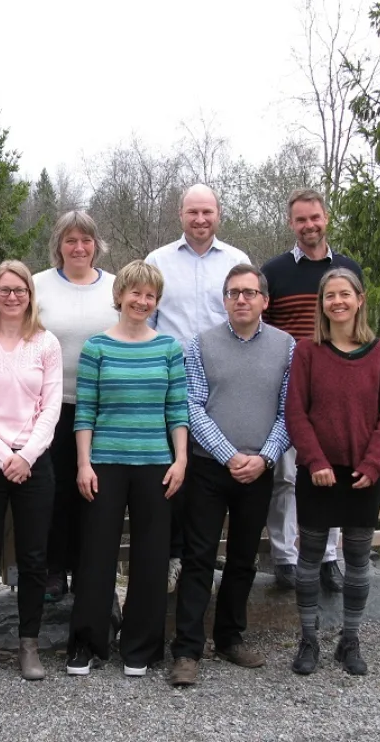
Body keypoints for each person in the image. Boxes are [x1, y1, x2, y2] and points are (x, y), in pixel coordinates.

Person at [170, 264, 294, 687]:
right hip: (208, 467)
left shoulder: (286, 346)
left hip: (260, 469)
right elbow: (192, 405)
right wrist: (229, 455)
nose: (241, 299)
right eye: (233, 293)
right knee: (198, 557)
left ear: (264, 299)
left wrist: (263, 457)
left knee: (242, 559)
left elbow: (287, 411)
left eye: (249, 292)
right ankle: (187, 649)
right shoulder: (200, 344)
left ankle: (229, 637)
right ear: (224, 300)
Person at [66, 261, 188, 678]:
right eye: (135, 292)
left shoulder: (169, 349)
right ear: (119, 296)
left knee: (151, 558)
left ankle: (141, 647)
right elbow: (86, 411)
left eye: (150, 295)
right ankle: (87, 642)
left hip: (156, 464)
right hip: (104, 463)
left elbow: (177, 410)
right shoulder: (97, 347)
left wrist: (182, 460)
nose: (142, 300)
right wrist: (83, 463)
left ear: (156, 301)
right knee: (96, 556)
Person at [287, 268, 380, 676]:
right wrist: (315, 460)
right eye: (329, 296)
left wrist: (374, 464)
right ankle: (309, 638)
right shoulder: (308, 352)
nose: (337, 302)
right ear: (322, 304)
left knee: (357, 559)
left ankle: (349, 639)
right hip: (318, 472)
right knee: (310, 559)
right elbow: (295, 411)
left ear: (359, 300)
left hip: (362, 474)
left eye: (344, 295)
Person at [0, 260, 62, 683]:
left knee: (34, 558)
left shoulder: (46, 343)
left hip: (34, 461)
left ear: (30, 295)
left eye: (20, 289)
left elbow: (51, 406)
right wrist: (4, 456)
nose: (12, 296)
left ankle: (28, 644)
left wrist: (26, 456)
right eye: (4, 289)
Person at [145, 184, 251, 592]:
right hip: (170, 378)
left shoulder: (237, 260)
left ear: (218, 214)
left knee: (211, 468)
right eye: (193, 212)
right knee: (173, 470)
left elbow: (247, 314)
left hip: (223, 377)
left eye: (207, 212)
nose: (200, 219)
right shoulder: (158, 261)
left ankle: (203, 555)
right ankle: (174, 555)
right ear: (180, 214)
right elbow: (147, 317)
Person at [263, 188, 364, 593]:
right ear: (291, 224)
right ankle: (286, 556)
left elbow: (355, 325)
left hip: (337, 386)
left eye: (315, 217)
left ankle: (328, 558)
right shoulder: (275, 271)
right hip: (287, 386)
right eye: (301, 219)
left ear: (326, 218)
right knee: (286, 476)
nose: (309, 225)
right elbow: (263, 330)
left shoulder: (347, 267)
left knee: (335, 471)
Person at [32, 211, 118, 600]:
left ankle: (89, 569)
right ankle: (54, 568)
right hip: (52, 405)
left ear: (96, 244)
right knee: (55, 489)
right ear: (59, 246)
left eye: (86, 239)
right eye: (70, 240)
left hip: (106, 408)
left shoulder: (116, 288)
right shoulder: (38, 285)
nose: (79, 247)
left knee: (95, 491)